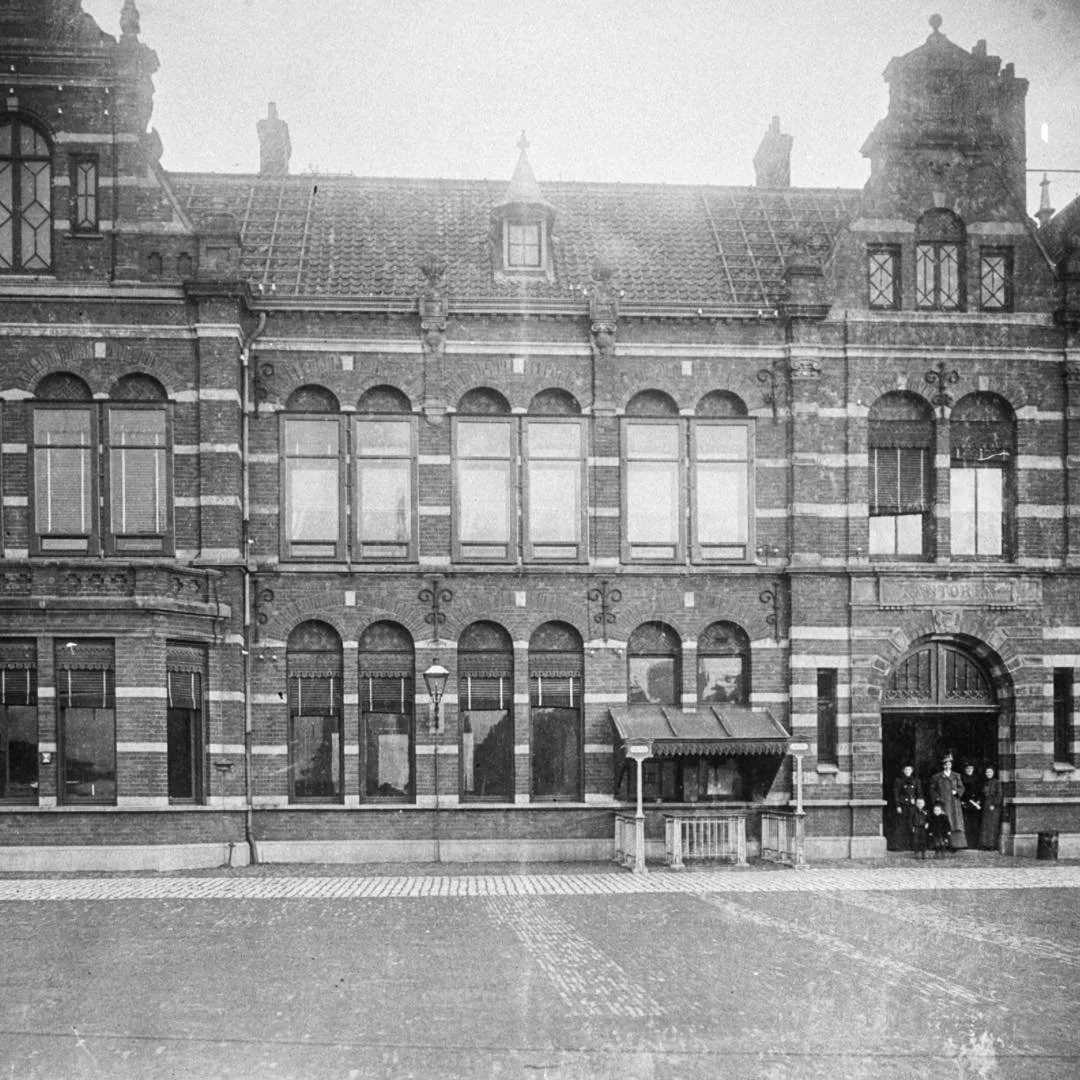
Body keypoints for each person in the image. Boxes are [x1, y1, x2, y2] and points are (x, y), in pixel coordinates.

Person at [929, 753, 967, 850]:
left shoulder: (956, 776)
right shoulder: (937, 777)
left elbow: (961, 787)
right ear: (943, 765)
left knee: (955, 821)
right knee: (943, 821)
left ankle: (956, 844)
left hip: (954, 803)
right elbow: (932, 789)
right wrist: (937, 798)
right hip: (943, 803)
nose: (947, 766)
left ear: (951, 765)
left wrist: (957, 792)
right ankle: (942, 844)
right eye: (945, 764)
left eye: (949, 764)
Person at [891, 763, 922, 851]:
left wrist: (917, 802)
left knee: (912, 824)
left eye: (909, 770)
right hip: (903, 805)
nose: (907, 771)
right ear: (903, 771)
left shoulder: (916, 781)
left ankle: (913, 846)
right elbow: (896, 794)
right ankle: (900, 846)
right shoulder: (899, 780)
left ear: (912, 771)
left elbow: (919, 793)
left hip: (912, 806)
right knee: (902, 825)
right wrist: (898, 805)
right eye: (906, 770)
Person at [978, 765, 1003, 851]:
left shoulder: (997, 782)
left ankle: (992, 845)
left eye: (990, 772)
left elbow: (999, 795)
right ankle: (985, 844)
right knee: (985, 825)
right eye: (987, 772)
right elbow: (982, 794)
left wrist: (994, 804)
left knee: (992, 825)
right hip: (986, 805)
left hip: (993, 806)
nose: (988, 774)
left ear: (993, 773)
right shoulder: (985, 782)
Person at [960, 762, 981, 848]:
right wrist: (962, 801)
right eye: (967, 768)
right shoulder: (962, 778)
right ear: (965, 769)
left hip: (975, 804)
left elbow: (980, 791)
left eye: (971, 768)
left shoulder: (977, 779)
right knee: (966, 824)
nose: (969, 770)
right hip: (966, 804)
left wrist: (979, 801)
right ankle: (966, 844)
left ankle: (974, 844)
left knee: (975, 824)